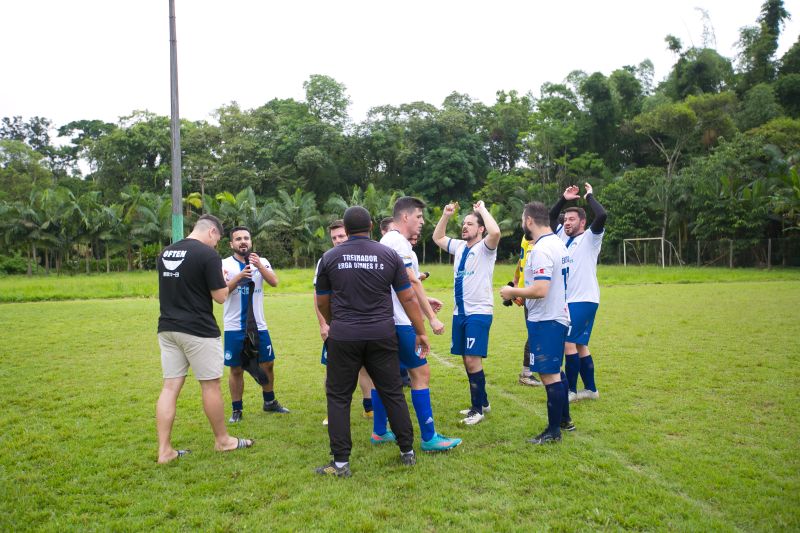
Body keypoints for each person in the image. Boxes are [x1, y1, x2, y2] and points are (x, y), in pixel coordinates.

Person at [314, 206, 429, 477]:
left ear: (346, 229)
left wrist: (334, 321)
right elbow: (407, 297)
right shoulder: (388, 255)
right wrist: (421, 331)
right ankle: (407, 451)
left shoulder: (329, 257)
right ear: (371, 226)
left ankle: (340, 463)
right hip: (381, 334)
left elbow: (322, 301)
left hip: (344, 336)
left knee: (339, 397)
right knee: (392, 392)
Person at [155, 214, 253, 464]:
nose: (216, 245)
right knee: (210, 385)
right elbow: (220, 297)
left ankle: (164, 450)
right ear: (211, 232)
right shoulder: (207, 255)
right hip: (198, 330)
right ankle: (223, 441)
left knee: (169, 388)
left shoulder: (166, 252)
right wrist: (223, 277)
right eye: (217, 239)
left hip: (167, 328)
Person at [375, 196, 461, 451]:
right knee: (420, 374)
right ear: (405, 217)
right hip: (401, 322)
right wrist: (430, 318)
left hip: (385, 320)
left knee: (386, 377)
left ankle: (379, 431)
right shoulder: (398, 242)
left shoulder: (388, 241)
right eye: (419, 216)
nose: (422, 221)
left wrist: (426, 302)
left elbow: (401, 284)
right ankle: (429, 437)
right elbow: (411, 281)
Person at [500, 202, 573, 444]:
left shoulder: (541, 249)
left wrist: (512, 291)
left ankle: (553, 432)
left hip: (547, 319)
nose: (522, 224)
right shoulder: (558, 243)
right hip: (556, 314)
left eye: (523, 220)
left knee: (548, 375)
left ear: (529, 220)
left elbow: (541, 289)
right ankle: (564, 420)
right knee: (555, 370)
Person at [433, 200, 501, 425]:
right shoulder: (460, 246)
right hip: (459, 313)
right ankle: (483, 402)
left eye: (470, 224)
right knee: (465, 358)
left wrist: (481, 210)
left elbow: (496, 232)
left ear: (481, 229)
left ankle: (477, 410)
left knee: (472, 360)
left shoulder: (486, 248)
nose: (464, 226)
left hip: (478, 312)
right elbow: (438, 238)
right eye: (463, 223)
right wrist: (446, 215)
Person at [222, 226, 289, 423]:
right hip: (234, 326)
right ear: (231, 244)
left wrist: (259, 265)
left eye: (246, 238)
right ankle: (237, 409)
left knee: (268, 363)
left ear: (251, 241)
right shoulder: (224, 264)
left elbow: (274, 282)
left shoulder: (262, 261)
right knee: (236, 368)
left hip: (259, 325)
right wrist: (238, 278)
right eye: (238, 239)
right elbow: (221, 293)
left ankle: (270, 402)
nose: (243, 241)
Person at [549, 183, 607, 402]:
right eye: (565, 220)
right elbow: (551, 217)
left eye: (571, 219)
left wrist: (589, 196)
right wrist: (563, 199)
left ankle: (571, 391)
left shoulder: (591, 237)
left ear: (582, 222)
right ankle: (591, 390)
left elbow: (602, 215)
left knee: (568, 343)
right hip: (570, 300)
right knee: (580, 345)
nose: (566, 223)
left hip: (583, 299)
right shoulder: (561, 237)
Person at [314, 220, 375, 424]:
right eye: (334, 237)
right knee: (334, 369)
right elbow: (318, 297)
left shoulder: (366, 256)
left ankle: (370, 408)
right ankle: (332, 412)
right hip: (337, 325)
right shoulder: (326, 259)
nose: (338, 240)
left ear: (349, 233)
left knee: (366, 368)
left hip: (365, 323)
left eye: (341, 236)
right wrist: (324, 324)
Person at [513, 235, 542, 387]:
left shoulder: (527, 237)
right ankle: (526, 373)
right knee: (535, 333)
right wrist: (517, 285)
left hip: (530, 291)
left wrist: (516, 283)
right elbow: (524, 262)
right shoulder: (533, 238)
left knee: (538, 333)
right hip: (532, 293)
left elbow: (521, 261)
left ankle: (539, 369)